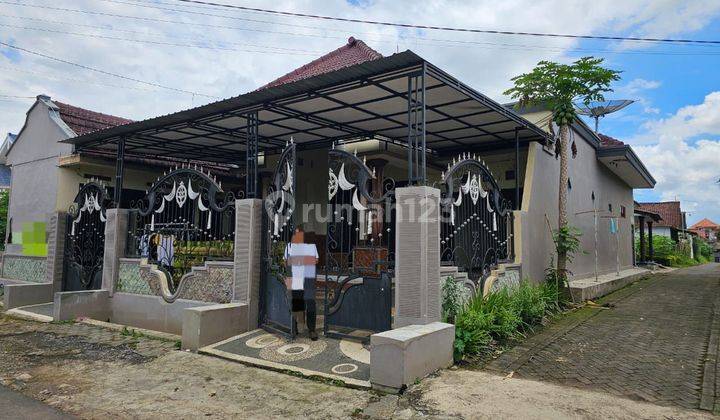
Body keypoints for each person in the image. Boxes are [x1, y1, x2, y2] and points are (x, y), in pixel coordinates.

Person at [284, 226, 319, 340]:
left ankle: (312, 330)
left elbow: (316, 260)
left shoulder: (310, 247)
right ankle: (294, 329)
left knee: (310, 304)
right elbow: (286, 262)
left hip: (308, 278)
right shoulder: (289, 247)